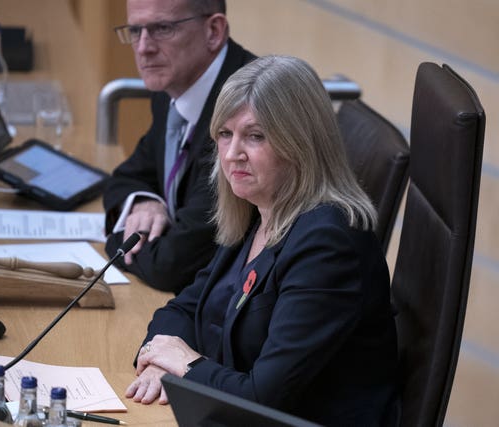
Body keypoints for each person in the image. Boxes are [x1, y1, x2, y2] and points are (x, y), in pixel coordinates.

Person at [125, 55, 400, 426]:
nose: (232, 153)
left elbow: (262, 398)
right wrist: (161, 360)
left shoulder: (328, 245)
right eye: (225, 134)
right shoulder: (259, 209)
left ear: (299, 144)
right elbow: (186, 308)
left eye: (255, 136)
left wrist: (187, 366)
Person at [103, 0, 255, 294]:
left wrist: (118, 239)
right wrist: (145, 202)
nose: (144, 47)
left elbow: (171, 265)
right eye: (135, 30)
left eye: (162, 28)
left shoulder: (245, 114)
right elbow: (128, 175)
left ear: (213, 30)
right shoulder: (174, 87)